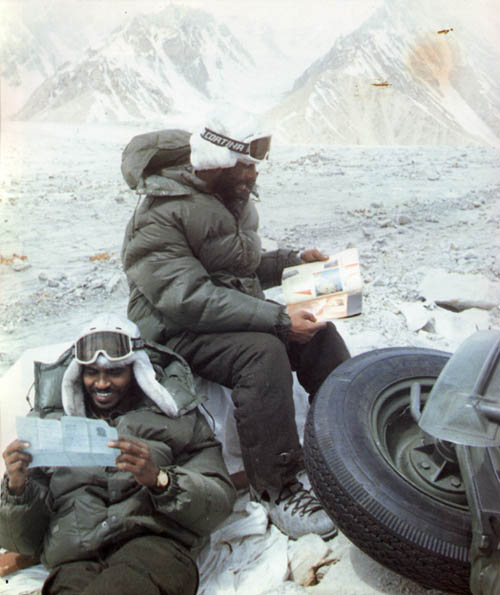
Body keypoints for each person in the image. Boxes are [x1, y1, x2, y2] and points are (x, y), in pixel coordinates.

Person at [121, 111, 351, 540]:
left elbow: (235, 267)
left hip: (219, 314)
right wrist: (277, 320)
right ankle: (277, 489)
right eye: (244, 162)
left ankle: (349, 434)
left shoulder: (231, 199)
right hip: (174, 330)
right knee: (263, 353)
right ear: (214, 161)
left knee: (319, 330)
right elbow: (186, 298)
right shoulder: (159, 216)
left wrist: (290, 264)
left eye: (254, 161)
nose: (253, 171)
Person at [0, 314, 236, 595]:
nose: (101, 383)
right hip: (75, 558)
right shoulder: (48, 429)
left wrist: (161, 480)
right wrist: (17, 490)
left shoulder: (178, 419)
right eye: (91, 372)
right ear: (77, 374)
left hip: (153, 549)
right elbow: (24, 542)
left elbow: (218, 503)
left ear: (137, 371)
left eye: (114, 372)